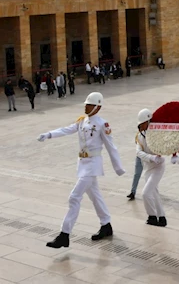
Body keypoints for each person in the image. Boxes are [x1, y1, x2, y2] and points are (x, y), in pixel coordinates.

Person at [39, 92, 126, 248]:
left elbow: (111, 146)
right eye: (86, 104)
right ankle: (106, 225)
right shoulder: (81, 121)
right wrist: (49, 134)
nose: (86, 107)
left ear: (97, 107)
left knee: (74, 197)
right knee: (95, 196)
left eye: (89, 105)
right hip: (83, 163)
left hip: (93, 165)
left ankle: (64, 235)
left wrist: (118, 167)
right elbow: (66, 130)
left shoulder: (102, 124)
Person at [135, 108, 166, 227]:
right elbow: (138, 152)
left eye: (142, 123)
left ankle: (152, 216)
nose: (140, 125)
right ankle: (161, 218)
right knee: (154, 193)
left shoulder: (157, 134)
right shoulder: (140, 136)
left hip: (158, 167)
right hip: (148, 167)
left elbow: (164, 147)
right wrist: (151, 157)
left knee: (145, 193)